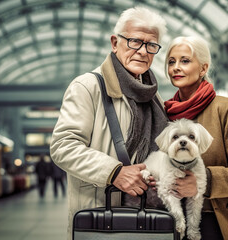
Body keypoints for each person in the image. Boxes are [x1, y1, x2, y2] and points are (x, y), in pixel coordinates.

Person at [49, 7, 168, 240]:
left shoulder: (155, 98)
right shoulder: (88, 86)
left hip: (150, 216)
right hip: (103, 218)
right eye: (135, 42)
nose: (143, 52)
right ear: (115, 43)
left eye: (151, 45)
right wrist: (113, 173)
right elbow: (63, 146)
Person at [163, 36, 228, 240]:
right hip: (177, 221)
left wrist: (204, 181)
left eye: (185, 61)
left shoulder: (227, 109)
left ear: (203, 69)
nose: (176, 67)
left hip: (220, 222)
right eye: (171, 61)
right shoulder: (164, 114)